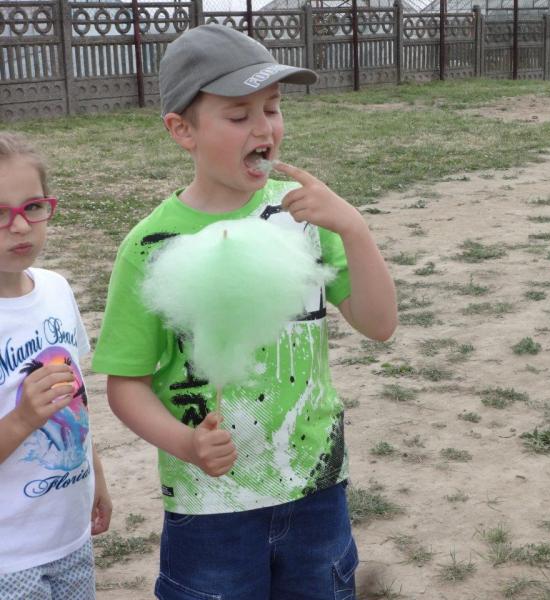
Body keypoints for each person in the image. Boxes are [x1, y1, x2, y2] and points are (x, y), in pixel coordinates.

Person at [91, 24, 397, 600]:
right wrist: (184, 444)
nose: (265, 128)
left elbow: (380, 324)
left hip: (316, 489)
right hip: (211, 504)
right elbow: (126, 384)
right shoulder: (151, 245)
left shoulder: (303, 219)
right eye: (239, 115)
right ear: (183, 130)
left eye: (273, 109)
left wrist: (352, 226)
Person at [0, 132, 112, 598]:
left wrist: (96, 480)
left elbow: (76, 403)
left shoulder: (56, 289)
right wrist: (25, 416)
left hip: (68, 538)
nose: (20, 226)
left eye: (33, 207)